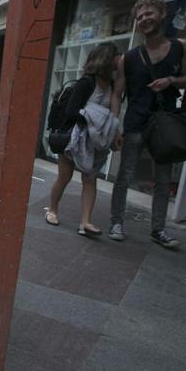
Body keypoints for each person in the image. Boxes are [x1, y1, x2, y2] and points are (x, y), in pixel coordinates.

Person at [109, 0, 186, 248]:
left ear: (162, 13)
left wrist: (171, 81)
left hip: (165, 123)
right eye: (140, 16)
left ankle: (159, 229)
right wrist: (115, 125)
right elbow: (117, 93)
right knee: (125, 175)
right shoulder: (129, 58)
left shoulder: (181, 47)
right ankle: (116, 222)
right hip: (136, 122)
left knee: (163, 178)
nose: (144, 19)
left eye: (149, 14)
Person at [46, 43, 122, 236]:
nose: (120, 60)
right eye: (117, 57)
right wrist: (93, 120)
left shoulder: (113, 86)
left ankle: (85, 222)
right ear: (107, 59)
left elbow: (113, 115)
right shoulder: (87, 83)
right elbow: (72, 112)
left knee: (90, 179)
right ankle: (52, 209)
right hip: (73, 137)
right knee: (65, 176)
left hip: (93, 142)